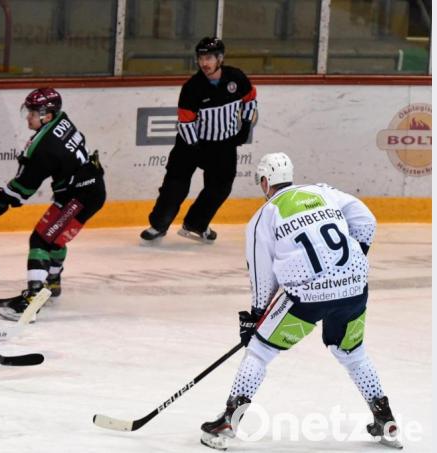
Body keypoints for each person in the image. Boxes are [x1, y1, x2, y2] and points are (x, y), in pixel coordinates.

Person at [200, 152, 401, 450]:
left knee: (260, 350)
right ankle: (385, 419)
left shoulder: (262, 217)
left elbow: (262, 273)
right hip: (354, 286)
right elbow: (365, 219)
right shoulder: (323, 192)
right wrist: (352, 259)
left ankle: (229, 420)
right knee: (352, 351)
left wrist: (256, 316)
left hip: (307, 296)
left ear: (265, 181)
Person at [0, 87, 106, 322]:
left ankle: (33, 301)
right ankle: (53, 282)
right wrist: (7, 197)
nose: (28, 117)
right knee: (56, 237)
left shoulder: (44, 146)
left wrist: (1, 198)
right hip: (91, 188)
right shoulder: (62, 120)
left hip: (78, 196)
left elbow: (24, 188)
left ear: (47, 115)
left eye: (32, 113)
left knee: (41, 240)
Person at [140, 36, 257, 243]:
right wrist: (195, 147)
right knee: (175, 185)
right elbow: (185, 123)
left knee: (221, 186)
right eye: (201, 58)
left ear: (220, 58)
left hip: (223, 144)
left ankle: (196, 223)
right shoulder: (192, 87)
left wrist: (245, 126)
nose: (204, 63)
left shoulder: (236, 78)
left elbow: (250, 100)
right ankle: (158, 225)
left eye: (209, 58)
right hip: (190, 144)